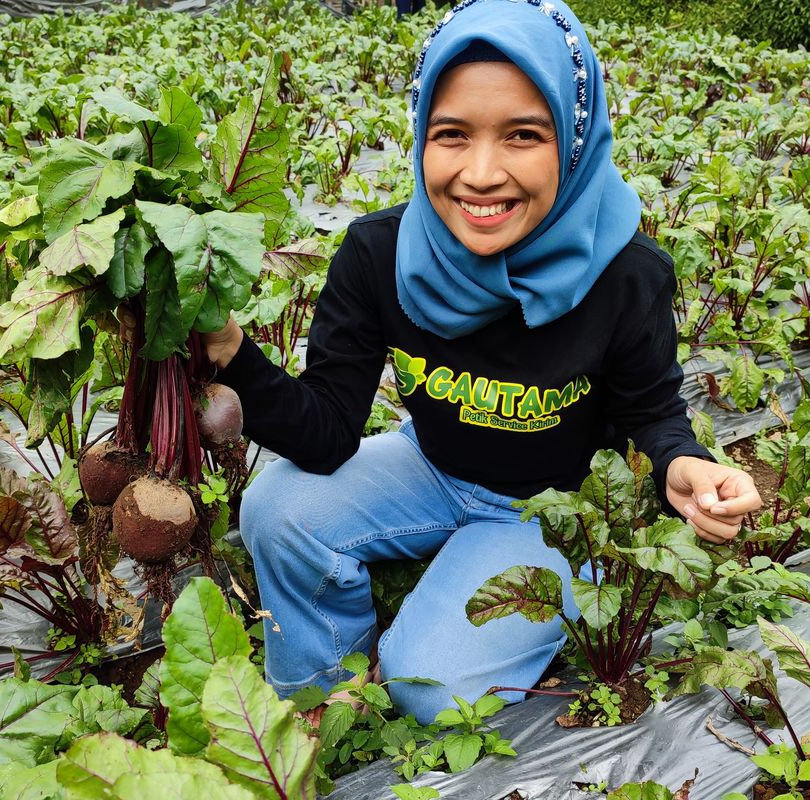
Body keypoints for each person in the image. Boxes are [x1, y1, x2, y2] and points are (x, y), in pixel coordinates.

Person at [203, 0, 762, 725]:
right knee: (276, 509)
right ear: (420, 139)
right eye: (452, 135)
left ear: (574, 138)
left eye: (524, 135)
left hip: (551, 513)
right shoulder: (380, 255)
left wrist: (680, 467)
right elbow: (330, 430)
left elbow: (649, 412)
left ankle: (533, 584)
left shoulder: (626, 273)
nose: (481, 173)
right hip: (429, 467)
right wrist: (234, 355)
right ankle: (322, 690)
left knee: (427, 689)